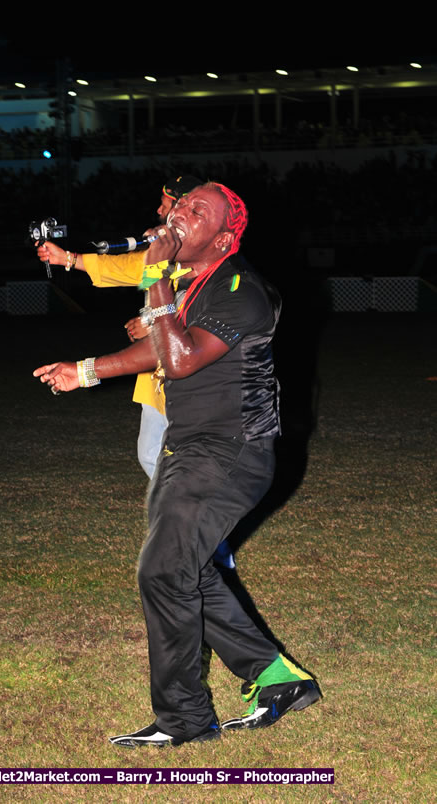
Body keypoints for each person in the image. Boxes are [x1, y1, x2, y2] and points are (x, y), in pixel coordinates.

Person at [34, 182, 320, 746]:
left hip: (231, 451)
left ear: (223, 237)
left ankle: (184, 720)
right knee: (181, 570)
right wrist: (87, 371)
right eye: (182, 204)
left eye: (198, 211)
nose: (180, 214)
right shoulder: (197, 286)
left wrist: (156, 275)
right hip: (190, 446)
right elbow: (161, 349)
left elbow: (182, 360)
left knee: (163, 571)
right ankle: (275, 677)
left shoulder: (244, 289)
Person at [36, 174, 235, 568]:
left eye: (168, 204)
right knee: (150, 455)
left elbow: (201, 320)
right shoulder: (162, 257)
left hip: (197, 389)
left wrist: (155, 319)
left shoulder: (219, 272)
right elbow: (130, 269)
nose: (161, 212)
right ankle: (197, 534)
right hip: (158, 381)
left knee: (185, 465)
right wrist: (70, 259)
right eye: (168, 206)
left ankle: (207, 540)